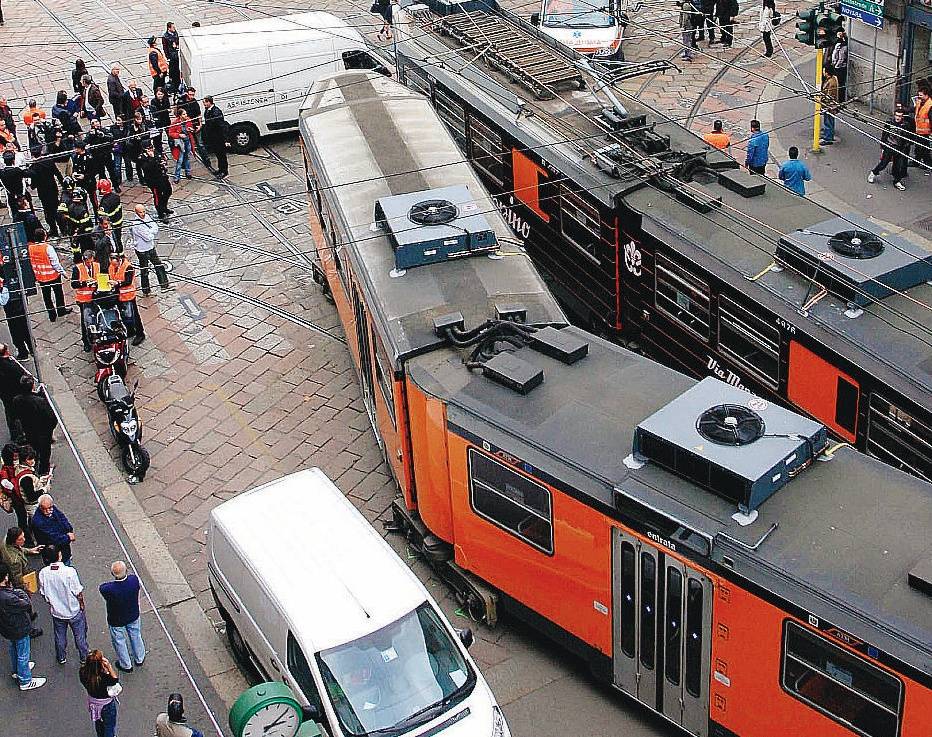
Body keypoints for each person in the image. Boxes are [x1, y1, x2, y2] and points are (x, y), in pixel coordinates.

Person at [38, 544, 88, 665]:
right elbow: (78, 592)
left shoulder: (43, 573)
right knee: (80, 636)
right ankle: (84, 657)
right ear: (59, 555)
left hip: (57, 613)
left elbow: (44, 594)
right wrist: (81, 604)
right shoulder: (69, 572)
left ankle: (61, 657)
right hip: (73, 611)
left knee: (60, 636)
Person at [0, 562, 45, 690]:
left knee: (13, 648)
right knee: (23, 652)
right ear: (6, 577)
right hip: (18, 626)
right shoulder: (8, 596)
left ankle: (17, 670)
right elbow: (26, 604)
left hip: (6, 627)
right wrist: (20, 592)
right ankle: (25, 680)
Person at [99, 561, 145, 673]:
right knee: (135, 635)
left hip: (116, 619)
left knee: (119, 641)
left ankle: (126, 664)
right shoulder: (134, 581)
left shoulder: (108, 589)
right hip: (133, 614)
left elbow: (102, 588)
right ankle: (139, 658)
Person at [28, 228, 71, 321]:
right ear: (45, 236)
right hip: (53, 275)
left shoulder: (30, 248)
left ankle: (52, 315)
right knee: (58, 293)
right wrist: (64, 273)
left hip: (41, 276)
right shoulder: (48, 248)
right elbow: (55, 264)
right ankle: (61, 310)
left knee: (46, 296)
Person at [868, 104, 913, 191]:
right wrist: (883, 145)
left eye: (900, 116)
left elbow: (908, 137)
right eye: (896, 115)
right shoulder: (889, 123)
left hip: (899, 147)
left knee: (898, 165)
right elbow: (884, 134)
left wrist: (906, 143)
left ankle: (897, 181)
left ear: (902, 117)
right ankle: (873, 173)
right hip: (889, 146)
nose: (898, 118)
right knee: (884, 164)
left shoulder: (905, 125)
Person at [130, 204, 171, 295]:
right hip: (142, 250)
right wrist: (151, 231)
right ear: (136, 212)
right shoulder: (136, 224)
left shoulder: (147, 217)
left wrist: (150, 231)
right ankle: (146, 290)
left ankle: (164, 285)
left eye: (144, 211)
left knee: (159, 265)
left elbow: (155, 227)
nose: (143, 213)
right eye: (141, 212)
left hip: (150, 247)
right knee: (144, 270)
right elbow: (148, 237)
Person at [80, 650, 121, 737]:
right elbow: (115, 680)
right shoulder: (103, 677)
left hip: (94, 703)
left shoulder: (83, 672)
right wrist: (108, 666)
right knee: (109, 726)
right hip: (106, 705)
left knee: (99, 723)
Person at [108, 253, 144, 346]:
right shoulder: (112, 266)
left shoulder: (128, 267)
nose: (113, 266)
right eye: (112, 264)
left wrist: (117, 283)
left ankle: (140, 334)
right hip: (118, 295)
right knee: (123, 315)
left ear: (119, 260)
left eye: (115, 264)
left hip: (128, 295)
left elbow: (127, 282)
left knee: (133, 315)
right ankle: (130, 330)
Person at [31, 495, 74, 566]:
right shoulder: (38, 521)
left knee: (67, 561)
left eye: (49, 508)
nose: (47, 511)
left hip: (64, 548)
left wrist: (69, 529)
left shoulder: (52, 509)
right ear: (40, 507)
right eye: (44, 509)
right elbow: (53, 537)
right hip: (52, 552)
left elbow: (62, 517)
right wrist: (68, 537)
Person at [28, 155, 64, 237]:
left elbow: (33, 185)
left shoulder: (34, 167)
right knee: (56, 208)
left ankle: (53, 229)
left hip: (43, 192)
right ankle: (62, 228)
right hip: (53, 189)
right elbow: (58, 173)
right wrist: (63, 184)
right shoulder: (49, 161)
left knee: (48, 211)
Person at [72, 249, 101, 351]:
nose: (90, 263)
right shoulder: (77, 268)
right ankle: (86, 341)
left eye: (91, 261)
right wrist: (85, 283)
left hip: (95, 297)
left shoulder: (97, 265)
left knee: (97, 318)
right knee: (85, 322)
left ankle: (97, 337)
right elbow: (74, 284)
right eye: (88, 262)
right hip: (83, 299)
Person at [138, 143, 173, 220]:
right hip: (154, 181)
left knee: (168, 191)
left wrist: (163, 162)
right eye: (149, 149)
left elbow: (160, 158)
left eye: (152, 147)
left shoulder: (155, 151)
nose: (151, 150)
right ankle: (160, 214)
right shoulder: (142, 157)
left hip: (162, 177)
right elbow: (147, 168)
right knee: (158, 197)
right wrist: (152, 158)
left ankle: (164, 207)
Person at [0, 278, 32, 360]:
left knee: (16, 331)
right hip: (19, 302)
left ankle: (23, 352)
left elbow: (3, 301)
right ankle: (31, 348)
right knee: (25, 327)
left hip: (11, 308)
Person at [0, 346, 27, 437]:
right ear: (6, 352)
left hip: (4, 394)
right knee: (20, 413)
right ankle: (21, 434)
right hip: (15, 392)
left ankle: (15, 434)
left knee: (10, 412)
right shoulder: (12, 366)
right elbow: (21, 377)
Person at [64, 188, 95, 262]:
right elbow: (85, 224)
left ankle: (77, 258)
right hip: (82, 232)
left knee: (75, 246)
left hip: (72, 229)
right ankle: (86, 258)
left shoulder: (70, 206)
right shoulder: (82, 210)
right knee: (86, 246)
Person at [202, 96, 229, 178]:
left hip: (218, 137)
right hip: (213, 137)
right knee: (218, 154)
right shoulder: (208, 110)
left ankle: (224, 171)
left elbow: (222, 126)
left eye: (205, 102)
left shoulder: (216, 112)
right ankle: (220, 169)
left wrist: (226, 139)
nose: (204, 104)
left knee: (221, 155)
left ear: (209, 102)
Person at [87, 119, 117, 189]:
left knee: (112, 171)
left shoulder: (104, 130)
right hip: (97, 157)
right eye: (94, 123)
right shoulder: (91, 133)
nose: (96, 123)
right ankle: (104, 187)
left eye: (97, 122)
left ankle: (116, 185)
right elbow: (86, 141)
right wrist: (91, 135)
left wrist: (103, 136)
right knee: (101, 173)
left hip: (107, 155)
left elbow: (111, 137)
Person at [169, 109, 196, 182]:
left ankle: (188, 172)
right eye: (184, 114)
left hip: (187, 141)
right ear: (180, 115)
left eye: (186, 114)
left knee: (187, 157)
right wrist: (179, 135)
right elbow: (170, 133)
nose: (186, 115)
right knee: (180, 160)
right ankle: (177, 176)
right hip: (180, 143)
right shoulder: (175, 123)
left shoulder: (188, 120)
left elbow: (192, 129)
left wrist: (191, 129)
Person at [913, 85, 932, 171]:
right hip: (919, 129)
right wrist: (903, 109)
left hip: (925, 132)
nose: (918, 96)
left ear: (926, 95)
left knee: (924, 149)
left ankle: (927, 164)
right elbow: (914, 110)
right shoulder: (920, 102)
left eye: (920, 95)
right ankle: (917, 162)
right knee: (918, 147)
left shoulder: (930, 105)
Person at [819, 67, 840, 146]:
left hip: (829, 106)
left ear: (827, 73)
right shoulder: (833, 78)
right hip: (831, 106)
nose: (823, 72)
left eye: (824, 71)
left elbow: (829, 97)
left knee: (828, 121)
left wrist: (821, 99)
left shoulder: (831, 83)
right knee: (830, 121)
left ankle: (828, 138)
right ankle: (829, 134)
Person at [109, 116, 130, 187]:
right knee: (117, 165)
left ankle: (129, 176)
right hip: (117, 149)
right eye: (117, 120)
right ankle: (118, 179)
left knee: (128, 163)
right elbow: (110, 137)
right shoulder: (113, 128)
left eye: (119, 120)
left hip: (126, 148)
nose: (117, 122)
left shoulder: (127, 127)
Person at [163, 22, 182, 93]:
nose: (174, 29)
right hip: (171, 56)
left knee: (177, 71)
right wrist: (168, 57)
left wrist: (176, 45)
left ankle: (178, 84)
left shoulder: (175, 33)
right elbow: (165, 47)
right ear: (169, 28)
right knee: (172, 71)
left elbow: (178, 41)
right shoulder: (165, 36)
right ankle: (173, 86)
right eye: (173, 27)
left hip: (176, 55)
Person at [831, 31, 848, 102]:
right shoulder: (838, 44)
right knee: (837, 83)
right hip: (836, 66)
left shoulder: (844, 47)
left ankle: (841, 99)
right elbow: (834, 54)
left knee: (840, 84)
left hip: (840, 68)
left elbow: (841, 58)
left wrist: (836, 66)